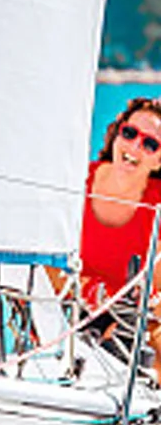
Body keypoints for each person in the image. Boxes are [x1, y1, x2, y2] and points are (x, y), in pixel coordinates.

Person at [69, 97, 161, 358]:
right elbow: (43, 262)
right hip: (64, 316)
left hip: (128, 328)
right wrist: (90, 293)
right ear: (116, 134)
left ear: (159, 161)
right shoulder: (75, 181)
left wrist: (146, 303)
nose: (134, 146)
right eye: (129, 133)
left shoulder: (158, 204)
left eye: (150, 144)